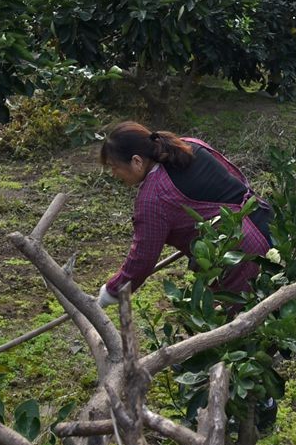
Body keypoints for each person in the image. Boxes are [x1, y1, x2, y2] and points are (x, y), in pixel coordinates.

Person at [97, 123, 273, 308]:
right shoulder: (186, 145)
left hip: (241, 254)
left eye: (113, 167)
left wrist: (110, 292)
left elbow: (142, 259)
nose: (113, 174)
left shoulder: (153, 197)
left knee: (244, 323)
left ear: (136, 161)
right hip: (266, 222)